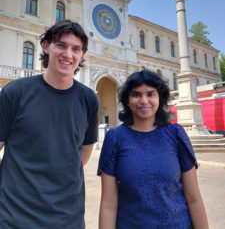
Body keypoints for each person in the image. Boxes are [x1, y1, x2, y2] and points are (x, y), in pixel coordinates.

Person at [0, 20, 99, 228]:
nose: (68, 54)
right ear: (46, 46)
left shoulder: (89, 99)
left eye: (76, 49)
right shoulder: (15, 93)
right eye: (61, 45)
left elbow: (82, 155)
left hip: (68, 220)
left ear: (82, 56)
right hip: (14, 219)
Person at [98, 70, 209, 229]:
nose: (144, 100)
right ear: (127, 100)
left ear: (159, 98)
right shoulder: (115, 138)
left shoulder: (176, 134)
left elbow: (194, 198)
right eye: (136, 94)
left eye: (151, 94)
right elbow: (108, 205)